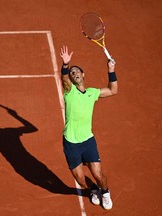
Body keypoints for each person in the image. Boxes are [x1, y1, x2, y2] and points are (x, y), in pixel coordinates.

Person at [59, 45, 118, 210]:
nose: (74, 73)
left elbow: (113, 90)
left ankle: (105, 192)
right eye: (72, 72)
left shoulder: (92, 93)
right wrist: (65, 65)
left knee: (99, 175)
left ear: (83, 75)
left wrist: (111, 69)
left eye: (77, 71)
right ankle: (93, 190)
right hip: (71, 142)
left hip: (88, 141)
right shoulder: (69, 91)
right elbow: (64, 78)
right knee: (80, 179)